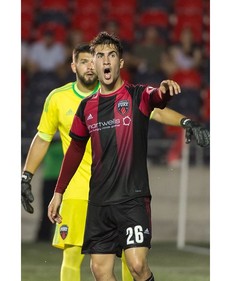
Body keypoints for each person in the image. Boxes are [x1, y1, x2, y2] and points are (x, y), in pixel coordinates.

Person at [46, 32, 209, 281]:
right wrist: (58, 192)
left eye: (112, 55)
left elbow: (157, 98)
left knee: (137, 265)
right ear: (95, 64)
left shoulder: (136, 95)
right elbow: (75, 150)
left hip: (131, 199)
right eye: (100, 56)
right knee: (100, 270)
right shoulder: (86, 107)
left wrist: (168, 97)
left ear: (120, 62)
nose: (106, 60)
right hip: (99, 201)